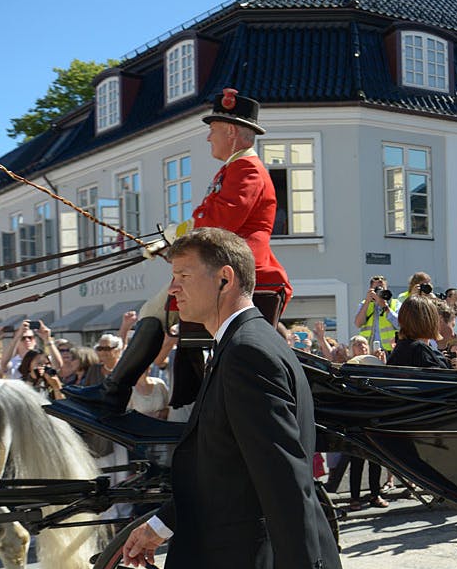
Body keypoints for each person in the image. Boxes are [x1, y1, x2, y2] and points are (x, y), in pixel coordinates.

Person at [119, 227, 344, 569]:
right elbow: (225, 467)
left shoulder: (247, 352)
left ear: (225, 279)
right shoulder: (241, 346)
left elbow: (283, 477)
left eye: (183, 274)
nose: (173, 288)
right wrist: (161, 526)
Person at [69, 88, 292, 413]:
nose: (208, 138)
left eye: (212, 130)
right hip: (219, 265)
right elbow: (207, 221)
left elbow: (218, 220)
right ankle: (122, 391)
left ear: (230, 131)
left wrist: (176, 239)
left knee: (153, 310)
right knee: (155, 309)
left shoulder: (248, 170)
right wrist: (171, 239)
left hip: (238, 268)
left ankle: (114, 392)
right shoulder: (233, 170)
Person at [354, 275, 399, 353]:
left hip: (390, 350)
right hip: (369, 350)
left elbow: (401, 324)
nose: (379, 293)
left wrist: (385, 307)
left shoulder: (395, 304)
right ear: (371, 290)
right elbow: (358, 324)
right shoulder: (365, 304)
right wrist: (368, 301)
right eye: (377, 290)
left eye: (382, 289)